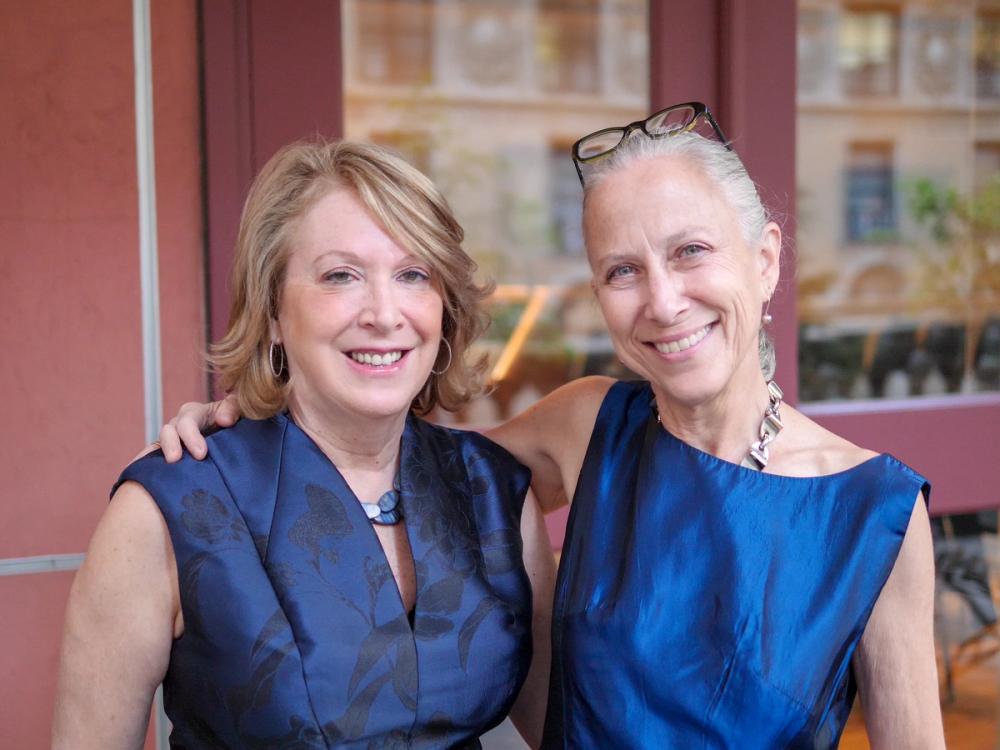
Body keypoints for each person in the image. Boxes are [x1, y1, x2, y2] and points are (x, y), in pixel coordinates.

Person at [158, 104, 945, 749]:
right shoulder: (589, 423)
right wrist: (249, 420)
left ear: (765, 260)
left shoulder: (874, 512)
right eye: (622, 271)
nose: (663, 301)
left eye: (692, 252)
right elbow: (385, 470)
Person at [52, 141, 555, 749]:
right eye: (340, 275)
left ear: (443, 308)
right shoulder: (167, 509)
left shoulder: (495, 496)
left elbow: (564, 727)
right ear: (272, 311)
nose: (384, 312)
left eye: (413, 274)